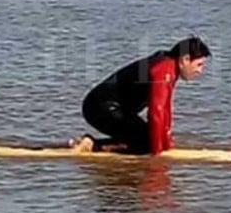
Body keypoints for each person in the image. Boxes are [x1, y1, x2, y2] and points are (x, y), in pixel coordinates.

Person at [74, 37, 212, 156]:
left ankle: (91, 144)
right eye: (199, 65)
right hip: (99, 108)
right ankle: (94, 146)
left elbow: (165, 110)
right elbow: (156, 113)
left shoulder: (169, 65)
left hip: (110, 108)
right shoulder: (163, 69)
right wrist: (157, 155)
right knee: (147, 144)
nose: (200, 71)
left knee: (147, 140)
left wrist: (166, 145)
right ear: (185, 59)